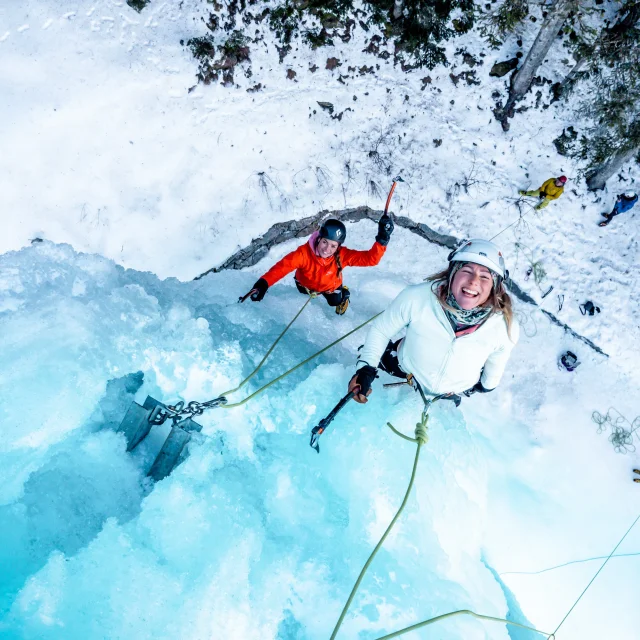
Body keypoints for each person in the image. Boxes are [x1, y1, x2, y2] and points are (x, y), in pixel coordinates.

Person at [347, 239, 519, 403]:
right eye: (466, 271)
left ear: (494, 287)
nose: (473, 281)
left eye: (485, 277)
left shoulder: (505, 327)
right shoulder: (417, 297)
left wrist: (484, 385)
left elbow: (495, 368)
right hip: (405, 369)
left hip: (450, 391)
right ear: (452, 274)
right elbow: (381, 330)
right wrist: (366, 368)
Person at [249, 216, 394, 315]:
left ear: (338, 246)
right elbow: (282, 268)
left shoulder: (342, 255)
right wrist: (264, 283)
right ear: (318, 238)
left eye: (333, 246)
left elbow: (370, 259)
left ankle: (344, 294)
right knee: (302, 294)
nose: (327, 249)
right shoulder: (303, 254)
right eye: (325, 242)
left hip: (331, 288)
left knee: (334, 302)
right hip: (305, 285)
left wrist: (382, 240)